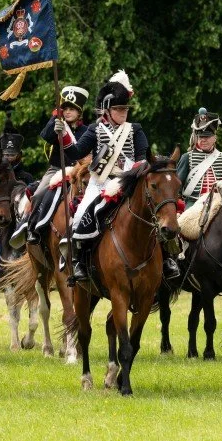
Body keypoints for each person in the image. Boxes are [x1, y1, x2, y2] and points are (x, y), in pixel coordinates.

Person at [56, 69, 180, 283]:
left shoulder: (135, 130)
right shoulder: (94, 130)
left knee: (157, 212)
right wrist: (64, 135)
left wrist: (136, 168)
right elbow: (75, 153)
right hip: (100, 182)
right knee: (82, 215)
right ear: (106, 110)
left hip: (128, 182)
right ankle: (79, 263)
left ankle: (168, 258)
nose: (123, 113)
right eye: (118, 109)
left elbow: (143, 156)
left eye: (125, 109)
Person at [26, 85, 90, 244]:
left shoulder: (87, 131)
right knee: (39, 194)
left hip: (80, 172)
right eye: (65, 109)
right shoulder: (57, 123)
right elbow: (46, 137)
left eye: (72, 109)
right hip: (56, 170)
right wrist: (54, 123)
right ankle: (33, 229)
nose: (68, 112)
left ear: (79, 112)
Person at [177, 108, 222, 208]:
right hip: (193, 203)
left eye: (207, 137)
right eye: (200, 137)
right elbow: (177, 185)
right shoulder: (187, 157)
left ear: (214, 138)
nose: (203, 140)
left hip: (219, 202)